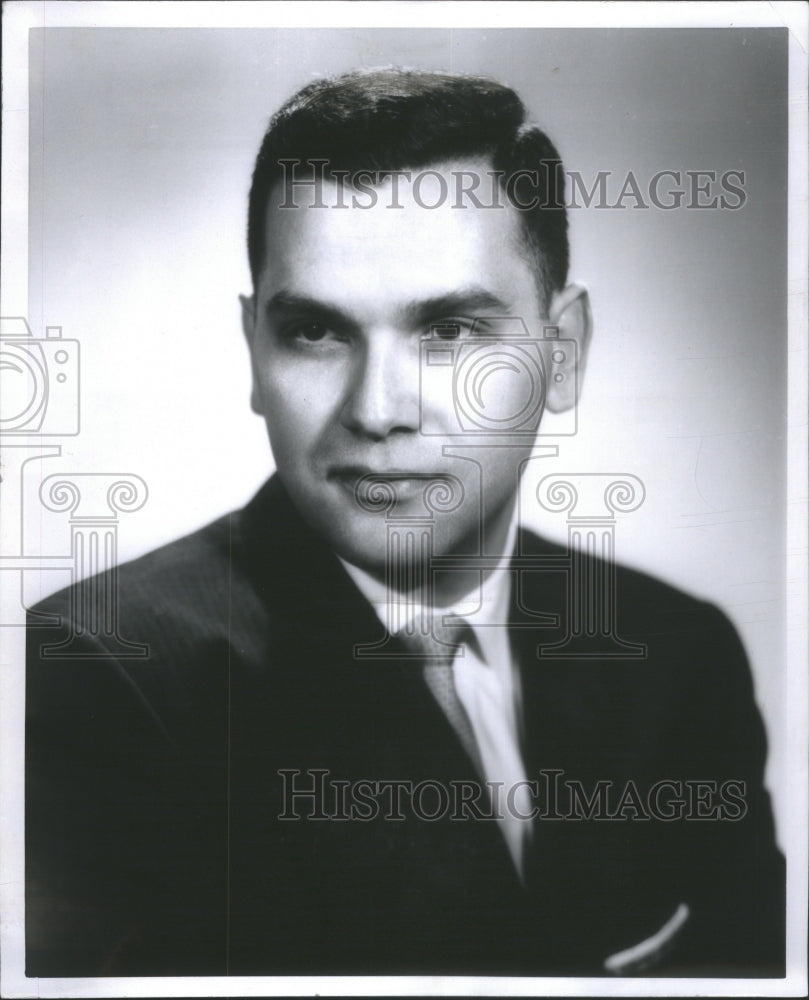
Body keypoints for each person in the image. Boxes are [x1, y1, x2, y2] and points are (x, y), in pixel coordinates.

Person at [25, 68, 784, 979]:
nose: (378, 409)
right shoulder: (98, 679)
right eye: (315, 331)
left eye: (451, 330)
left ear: (563, 353)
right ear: (254, 356)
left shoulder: (678, 658)